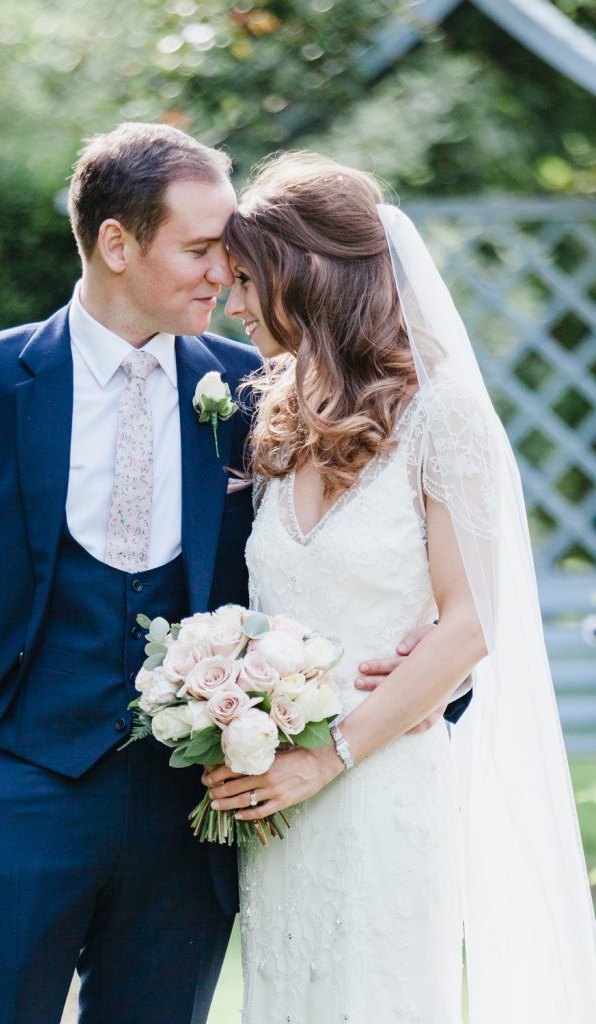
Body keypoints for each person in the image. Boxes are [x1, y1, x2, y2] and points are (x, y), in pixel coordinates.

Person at [0, 124, 463, 1024]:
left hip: (196, 814)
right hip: (12, 797)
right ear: (116, 243)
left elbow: (354, 550)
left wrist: (436, 672)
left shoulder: (261, 385)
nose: (225, 274)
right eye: (203, 249)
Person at [204, 152, 596, 1023]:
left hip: (377, 784)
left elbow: (468, 624)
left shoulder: (438, 411)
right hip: (278, 806)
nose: (230, 304)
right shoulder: (279, 413)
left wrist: (326, 757)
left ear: (301, 276)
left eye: (243, 280)